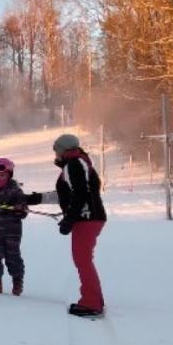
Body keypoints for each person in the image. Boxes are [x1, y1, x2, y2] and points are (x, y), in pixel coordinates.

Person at [51, 133, 108, 318]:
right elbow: (68, 193)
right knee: (83, 260)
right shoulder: (77, 163)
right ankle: (94, 299)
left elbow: (81, 193)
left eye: (56, 151)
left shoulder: (74, 164)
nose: (55, 155)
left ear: (62, 150)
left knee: (82, 260)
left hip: (87, 218)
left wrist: (69, 218)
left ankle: (91, 303)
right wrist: (31, 199)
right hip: (87, 218)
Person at [0, 157, 37, 295]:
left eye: (2, 175)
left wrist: (19, 209)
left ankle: (17, 281)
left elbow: (24, 210)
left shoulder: (15, 190)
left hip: (12, 231)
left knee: (13, 256)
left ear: (9, 175)